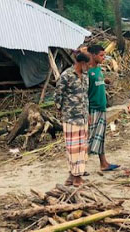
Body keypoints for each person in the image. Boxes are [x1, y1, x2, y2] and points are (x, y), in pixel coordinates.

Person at [55, 52, 91, 187]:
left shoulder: (85, 76)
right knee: (73, 148)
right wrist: (62, 110)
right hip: (71, 118)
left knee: (82, 148)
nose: (88, 67)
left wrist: (88, 113)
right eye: (87, 64)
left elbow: (85, 96)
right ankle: (77, 178)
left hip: (83, 117)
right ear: (81, 63)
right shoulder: (66, 76)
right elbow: (58, 95)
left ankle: (73, 175)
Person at [87, 45, 119, 171]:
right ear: (93, 55)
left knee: (100, 137)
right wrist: (87, 112)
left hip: (101, 107)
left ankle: (103, 163)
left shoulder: (98, 69)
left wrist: (105, 80)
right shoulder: (88, 72)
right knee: (90, 138)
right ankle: (77, 168)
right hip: (93, 109)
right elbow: (84, 93)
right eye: (101, 55)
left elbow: (97, 82)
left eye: (104, 55)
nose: (103, 57)